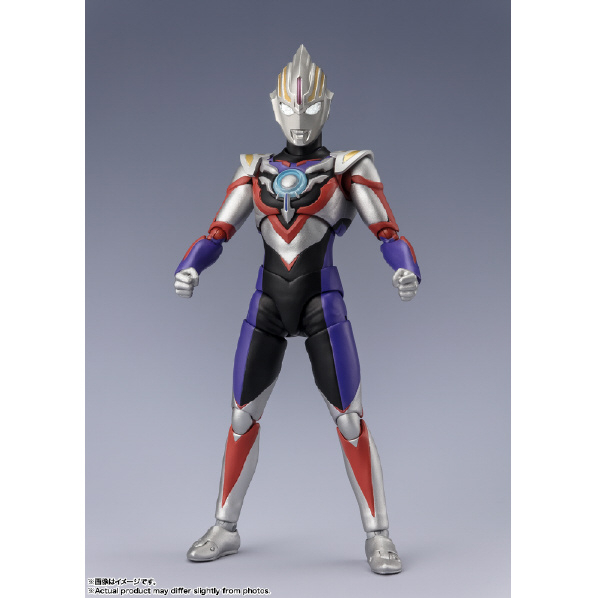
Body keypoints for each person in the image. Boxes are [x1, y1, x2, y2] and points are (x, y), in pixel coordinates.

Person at [174, 45, 420, 575]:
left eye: (310, 108)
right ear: (275, 107)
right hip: (266, 303)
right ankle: (224, 526)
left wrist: (405, 268)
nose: (300, 118)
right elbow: (217, 231)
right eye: (291, 107)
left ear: (326, 106)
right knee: (241, 417)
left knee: (349, 420)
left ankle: (378, 536)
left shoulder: (347, 166)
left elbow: (388, 231)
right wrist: (191, 265)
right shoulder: (254, 168)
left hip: (321, 304)